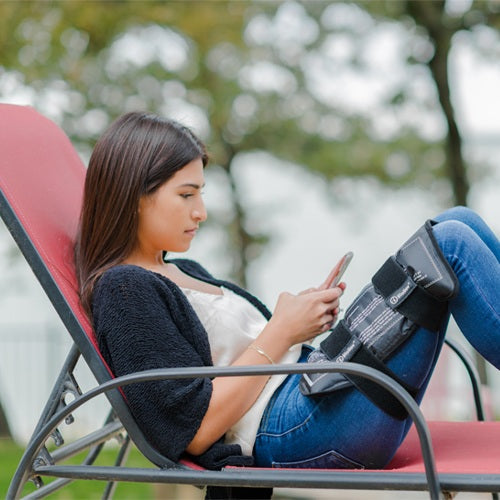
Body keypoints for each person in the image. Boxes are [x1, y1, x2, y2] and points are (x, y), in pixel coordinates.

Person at [75, 111, 500, 478]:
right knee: (451, 246)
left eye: (201, 193)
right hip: (292, 428)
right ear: (133, 197)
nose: (201, 211)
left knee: (454, 222)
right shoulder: (124, 289)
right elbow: (194, 429)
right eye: (186, 195)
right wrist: (282, 330)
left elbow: (255, 351)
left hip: (315, 387)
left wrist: (300, 321)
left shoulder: (180, 271)